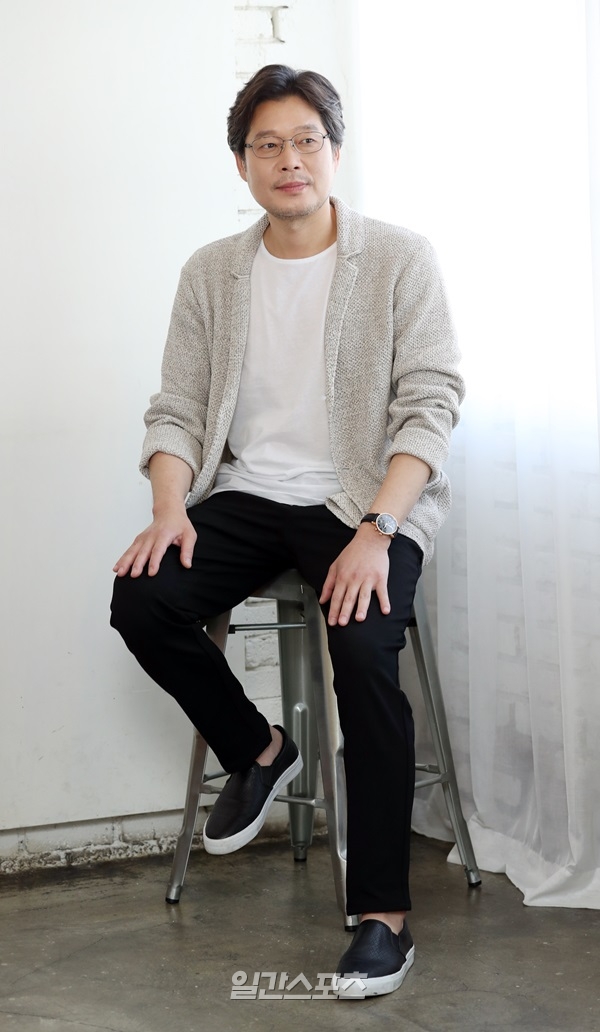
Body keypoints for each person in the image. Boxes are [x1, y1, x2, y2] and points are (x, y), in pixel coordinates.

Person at [110, 63, 464, 999]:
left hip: (363, 500)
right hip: (248, 493)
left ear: (335, 151)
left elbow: (431, 403)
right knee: (141, 598)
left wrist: (379, 528)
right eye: (267, 145)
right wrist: (169, 508)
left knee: (364, 646)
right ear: (242, 164)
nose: (289, 160)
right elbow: (178, 407)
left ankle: (383, 917)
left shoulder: (399, 258)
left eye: (306, 140)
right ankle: (261, 749)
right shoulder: (212, 272)